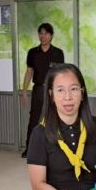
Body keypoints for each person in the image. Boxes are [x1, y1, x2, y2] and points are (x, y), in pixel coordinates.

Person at [21, 22, 65, 158]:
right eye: (41, 33)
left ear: (51, 36)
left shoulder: (58, 53)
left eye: (46, 33)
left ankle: (56, 148)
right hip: (38, 89)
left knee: (54, 119)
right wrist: (24, 91)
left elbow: (61, 74)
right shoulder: (33, 52)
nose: (43, 36)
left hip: (53, 90)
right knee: (34, 119)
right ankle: (29, 148)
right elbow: (29, 71)